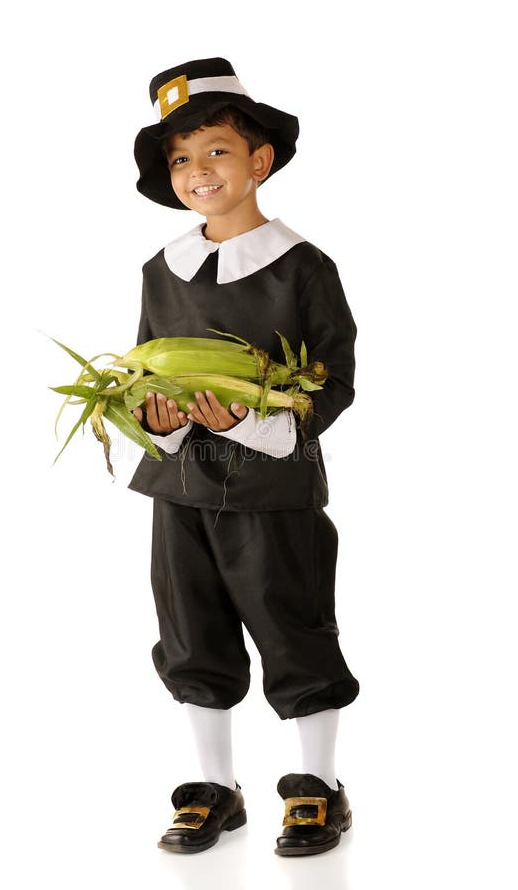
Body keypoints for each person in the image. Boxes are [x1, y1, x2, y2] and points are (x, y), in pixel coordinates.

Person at [129, 57, 360, 857]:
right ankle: (214, 788)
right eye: (182, 159)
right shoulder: (164, 270)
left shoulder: (303, 268)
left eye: (217, 151)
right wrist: (158, 423)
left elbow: (330, 385)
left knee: (292, 625)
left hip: (272, 490)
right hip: (180, 488)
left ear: (259, 160)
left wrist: (242, 421)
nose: (199, 172)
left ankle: (318, 788)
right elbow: (143, 371)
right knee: (191, 632)